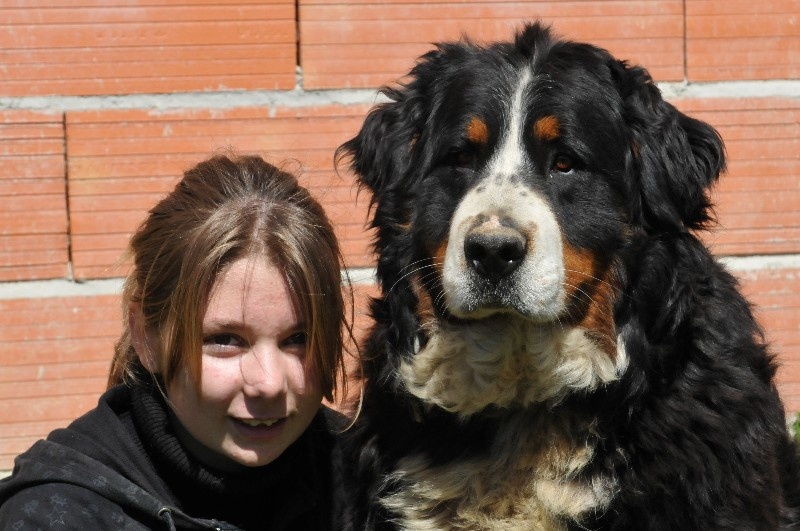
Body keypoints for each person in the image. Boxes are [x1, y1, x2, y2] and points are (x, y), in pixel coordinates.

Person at [0, 154, 353, 530]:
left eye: (298, 339)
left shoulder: (375, 486)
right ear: (146, 337)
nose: (269, 383)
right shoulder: (60, 514)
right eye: (226, 340)